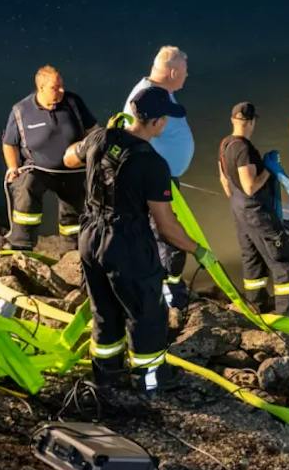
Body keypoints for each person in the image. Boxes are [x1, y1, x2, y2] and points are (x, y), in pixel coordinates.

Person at [63, 86, 207, 396]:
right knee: (146, 313)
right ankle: (150, 379)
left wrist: (103, 143)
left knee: (104, 307)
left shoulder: (100, 137)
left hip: (89, 236)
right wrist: (197, 250)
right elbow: (166, 227)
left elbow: (68, 158)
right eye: (165, 119)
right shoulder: (152, 164)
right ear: (156, 122)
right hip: (126, 242)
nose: (166, 124)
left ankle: (107, 375)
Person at [125, 46, 194, 307]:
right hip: (155, 182)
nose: (187, 77)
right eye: (185, 73)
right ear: (173, 71)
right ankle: (169, 296)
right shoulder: (146, 98)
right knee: (169, 236)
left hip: (164, 178)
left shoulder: (157, 94)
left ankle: (170, 286)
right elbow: (134, 138)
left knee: (166, 236)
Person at [217, 101, 289, 316]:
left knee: (252, 258)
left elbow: (225, 182)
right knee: (283, 260)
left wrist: (240, 206)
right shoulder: (243, 148)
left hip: (239, 209)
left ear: (233, 120)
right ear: (252, 122)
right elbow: (250, 186)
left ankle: (257, 305)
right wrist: (269, 169)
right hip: (256, 212)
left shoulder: (225, 144)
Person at [0, 65, 94, 249]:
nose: (61, 91)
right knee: (26, 189)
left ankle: (72, 249)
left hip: (73, 170)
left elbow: (93, 131)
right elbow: (9, 143)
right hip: (38, 169)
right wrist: (12, 167)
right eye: (55, 88)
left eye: (62, 86)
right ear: (40, 88)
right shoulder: (21, 111)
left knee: (74, 210)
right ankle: (21, 245)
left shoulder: (73, 103)